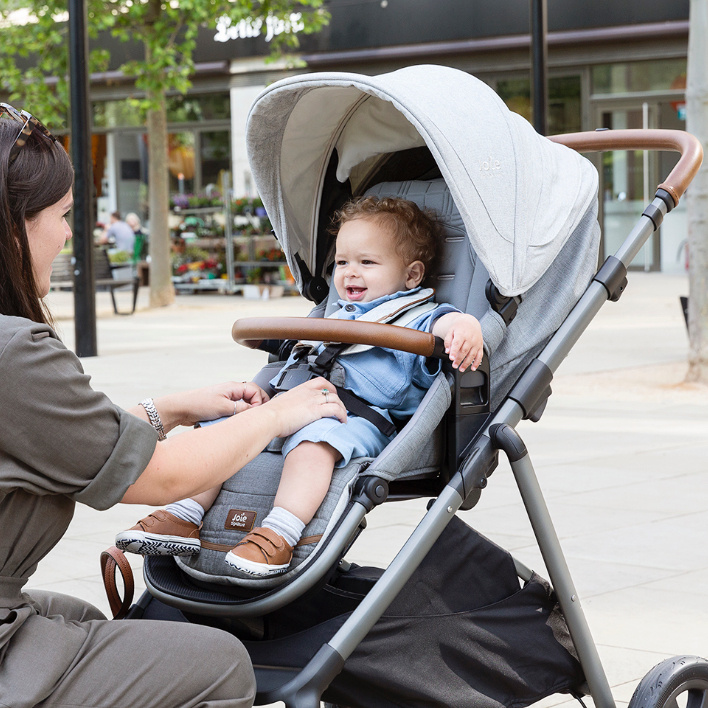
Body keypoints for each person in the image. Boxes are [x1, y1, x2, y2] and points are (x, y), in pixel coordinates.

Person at [0, 103, 347, 707]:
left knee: (89, 619)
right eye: (61, 216)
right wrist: (279, 413)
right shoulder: (13, 353)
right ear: (11, 227)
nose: (68, 233)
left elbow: (57, 440)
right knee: (217, 664)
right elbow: (163, 479)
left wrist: (169, 409)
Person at [116, 196, 484, 577]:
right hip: (292, 402)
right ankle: (184, 514)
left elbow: (446, 325)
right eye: (342, 262)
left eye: (367, 262)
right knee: (225, 429)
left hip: (351, 417)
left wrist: (464, 329)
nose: (349, 273)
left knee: (314, 444)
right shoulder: (332, 313)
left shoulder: (415, 315)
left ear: (411, 275)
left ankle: (279, 534)